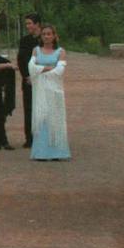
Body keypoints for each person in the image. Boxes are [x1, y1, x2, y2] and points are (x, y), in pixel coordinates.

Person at [29, 24, 70, 161]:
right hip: (40, 90)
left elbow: (59, 71)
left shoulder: (60, 51)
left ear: (54, 36)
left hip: (54, 90)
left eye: (49, 34)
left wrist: (40, 70)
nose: (46, 36)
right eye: (44, 34)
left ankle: (56, 152)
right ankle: (41, 152)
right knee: (41, 117)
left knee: (55, 118)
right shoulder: (36, 51)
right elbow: (31, 67)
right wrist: (47, 68)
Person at [16, 14, 41, 148]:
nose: (28, 26)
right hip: (28, 80)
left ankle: (42, 136)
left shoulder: (44, 39)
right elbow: (21, 60)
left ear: (37, 24)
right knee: (29, 109)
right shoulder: (24, 41)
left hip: (42, 79)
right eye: (26, 24)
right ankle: (29, 138)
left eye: (30, 23)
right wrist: (26, 76)